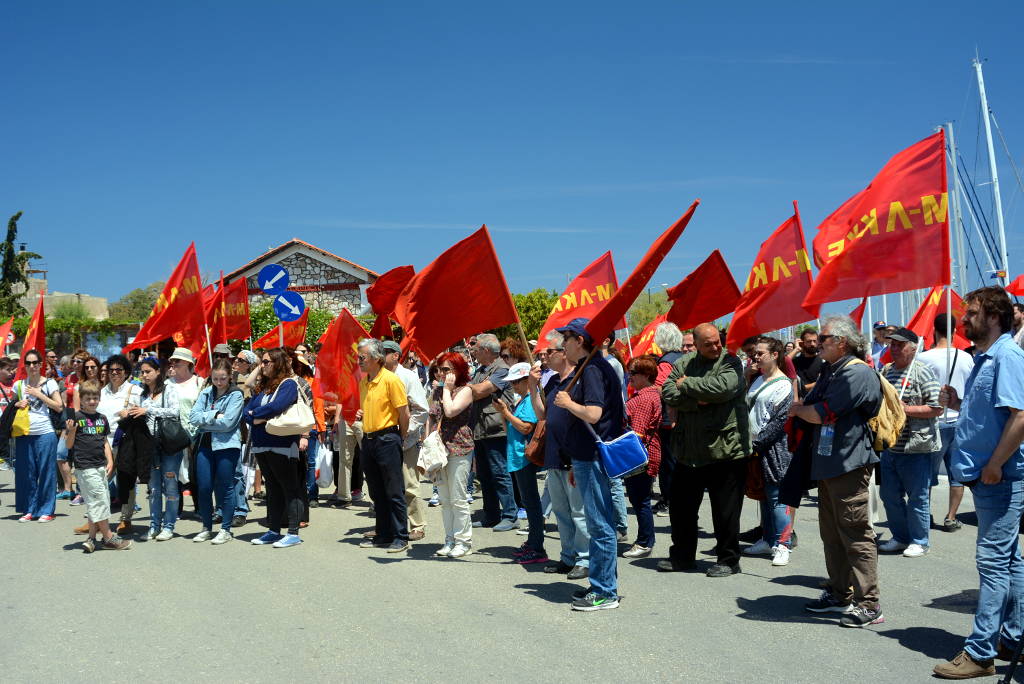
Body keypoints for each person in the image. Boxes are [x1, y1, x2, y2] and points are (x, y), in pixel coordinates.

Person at [933, 287, 1024, 679]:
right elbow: (993, 414)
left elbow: (1021, 416)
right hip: (988, 477)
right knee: (1009, 562)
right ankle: (1015, 636)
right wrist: (957, 403)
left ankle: (981, 651)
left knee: (992, 563)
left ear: (994, 317)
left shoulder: (1008, 356)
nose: (963, 320)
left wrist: (994, 464)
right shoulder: (984, 358)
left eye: (971, 313)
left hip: (1000, 479)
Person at [791, 315, 883, 628]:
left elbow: (821, 413)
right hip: (831, 463)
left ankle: (868, 603)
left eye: (824, 338)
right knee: (832, 535)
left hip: (849, 463)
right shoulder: (833, 370)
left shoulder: (855, 373)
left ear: (842, 342)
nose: (817, 342)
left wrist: (797, 409)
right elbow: (812, 402)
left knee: (855, 534)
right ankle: (839, 592)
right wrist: (803, 405)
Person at [659, 323, 750, 578]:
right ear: (696, 345)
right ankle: (682, 556)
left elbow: (722, 389)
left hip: (726, 450)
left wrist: (686, 385)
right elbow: (667, 392)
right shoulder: (685, 362)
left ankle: (729, 560)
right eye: (707, 344)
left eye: (717, 341)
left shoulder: (731, 362)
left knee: (725, 511)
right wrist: (696, 397)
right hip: (689, 450)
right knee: (681, 508)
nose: (715, 346)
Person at [547, 318, 625, 611]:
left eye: (566, 337)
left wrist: (568, 404)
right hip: (583, 457)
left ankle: (605, 591)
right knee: (596, 523)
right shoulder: (591, 366)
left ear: (579, 340)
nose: (563, 343)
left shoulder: (592, 368)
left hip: (593, 457)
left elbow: (593, 414)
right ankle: (601, 583)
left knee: (599, 525)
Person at [530, 331, 591, 580]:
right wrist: (534, 388)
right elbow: (542, 415)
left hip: (574, 456)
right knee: (562, 513)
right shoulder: (553, 382)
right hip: (554, 456)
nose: (543, 357)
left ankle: (585, 559)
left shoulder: (579, 379)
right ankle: (568, 557)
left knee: (579, 513)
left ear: (563, 353)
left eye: (548, 352)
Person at [877, 327, 941, 558]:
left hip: (916, 446)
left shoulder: (923, 372)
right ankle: (901, 537)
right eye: (891, 344)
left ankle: (920, 540)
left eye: (899, 345)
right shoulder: (886, 371)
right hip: (891, 445)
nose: (894, 349)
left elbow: (936, 408)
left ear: (913, 349)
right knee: (889, 495)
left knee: (917, 496)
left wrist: (906, 409)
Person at [918, 313, 975, 531]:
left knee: (926, 474)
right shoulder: (966, 358)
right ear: (953, 332)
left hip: (934, 421)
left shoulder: (924, 358)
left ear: (935, 330)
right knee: (956, 473)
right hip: (959, 420)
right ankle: (951, 516)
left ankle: (925, 515)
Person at [245, 347, 305, 548]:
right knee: (272, 488)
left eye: (266, 362)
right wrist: (256, 416)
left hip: (282, 444)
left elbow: (277, 407)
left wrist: (256, 414)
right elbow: (247, 411)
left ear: (277, 363)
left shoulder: (288, 384)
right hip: (262, 444)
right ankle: (273, 530)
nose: (262, 366)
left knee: (289, 488)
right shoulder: (264, 386)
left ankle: (293, 532)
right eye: (262, 362)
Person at [744, 337, 796, 566]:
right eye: (755, 353)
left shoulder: (783, 384)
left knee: (777, 497)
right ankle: (767, 539)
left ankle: (783, 544)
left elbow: (779, 421)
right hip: (756, 447)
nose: (756, 357)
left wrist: (758, 443)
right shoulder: (756, 380)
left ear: (775, 355)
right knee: (763, 496)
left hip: (774, 449)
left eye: (760, 353)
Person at [355, 338, 411, 553]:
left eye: (362, 357)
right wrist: (362, 414)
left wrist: (401, 437)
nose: (359, 361)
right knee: (377, 491)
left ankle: (400, 535)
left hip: (387, 438)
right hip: (368, 440)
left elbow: (403, 413)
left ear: (377, 359)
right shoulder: (364, 382)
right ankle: (384, 533)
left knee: (394, 490)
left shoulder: (391, 380)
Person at [66, 380, 132, 551]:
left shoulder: (102, 419)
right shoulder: (77, 417)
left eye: (95, 398)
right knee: (100, 501)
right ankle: (109, 537)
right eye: (88, 398)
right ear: (81, 399)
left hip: (100, 466)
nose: (92, 401)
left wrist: (110, 460)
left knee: (96, 502)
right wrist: (71, 431)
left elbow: (104, 442)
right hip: (85, 466)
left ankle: (92, 539)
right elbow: (68, 445)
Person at [127, 357, 185, 541]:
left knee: (170, 486)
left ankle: (169, 526)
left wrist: (148, 411)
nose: (144, 375)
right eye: (142, 372)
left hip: (168, 446)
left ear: (158, 371)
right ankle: (154, 526)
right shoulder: (142, 394)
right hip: (149, 447)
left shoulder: (169, 389)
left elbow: (175, 412)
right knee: (153, 488)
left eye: (148, 371)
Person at [467, 333, 519, 531]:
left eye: (477, 349)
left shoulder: (502, 369)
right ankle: (491, 514)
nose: (474, 351)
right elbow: (475, 388)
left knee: (500, 473)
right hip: (480, 429)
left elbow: (480, 391)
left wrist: (466, 386)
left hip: (497, 429)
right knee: (484, 474)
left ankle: (510, 515)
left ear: (487, 351)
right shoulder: (481, 370)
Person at [189, 358, 244, 544]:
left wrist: (207, 421)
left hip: (227, 446)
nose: (219, 382)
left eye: (222, 378)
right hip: (205, 444)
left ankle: (225, 529)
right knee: (204, 487)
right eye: (215, 378)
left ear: (229, 377)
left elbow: (228, 423)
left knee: (225, 486)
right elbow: (193, 417)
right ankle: (206, 527)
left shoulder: (236, 395)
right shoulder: (205, 393)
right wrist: (214, 415)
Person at [494, 362, 545, 564]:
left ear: (527, 380)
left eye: (517, 381)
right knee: (529, 502)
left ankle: (537, 546)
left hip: (524, 458)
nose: (514, 385)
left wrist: (506, 413)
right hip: (517, 457)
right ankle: (533, 543)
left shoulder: (530, 401)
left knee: (531, 504)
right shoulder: (522, 400)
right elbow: (514, 429)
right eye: (512, 382)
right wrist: (505, 413)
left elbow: (526, 428)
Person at [428, 352, 475, 557]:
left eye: (447, 369)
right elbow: (433, 416)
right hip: (441, 449)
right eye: (439, 369)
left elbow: (451, 411)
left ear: (458, 370)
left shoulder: (466, 390)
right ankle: (449, 539)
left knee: (458, 498)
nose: (442, 373)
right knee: (445, 499)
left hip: (460, 447)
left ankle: (463, 541)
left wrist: (446, 390)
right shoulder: (438, 391)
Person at [381, 340, 429, 541]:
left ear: (395, 355)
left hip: (404, 440)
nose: (379, 356)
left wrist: (405, 431)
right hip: (382, 440)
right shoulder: (376, 377)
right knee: (386, 485)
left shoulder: (408, 377)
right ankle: (391, 525)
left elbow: (422, 409)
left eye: (383, 352)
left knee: (409, 484)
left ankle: (417, 525)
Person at [13, 349, 64, 523]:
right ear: (25, 366)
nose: (32, 366)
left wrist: (39, 394)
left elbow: (59, 406)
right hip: (24, 433)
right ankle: (30, 509)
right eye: (28, 363)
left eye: (35, 363)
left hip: (45, 432)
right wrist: (17, 404)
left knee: (46, 472)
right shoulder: (19, 385)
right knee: (27, 474)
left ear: (41, 364)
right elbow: (12, 407)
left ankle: (47, 509)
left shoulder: (49, 383)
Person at [96, 354, 143, 534]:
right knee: (99, 483)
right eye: (111, 370)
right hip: (103, 442)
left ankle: (126, 519)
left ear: (126, 372)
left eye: (118, 370)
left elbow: (143, 414)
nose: (114, 373)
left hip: (125, 441)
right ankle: (97, 520)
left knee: (126, 481)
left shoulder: (135, 391)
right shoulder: (101, 392)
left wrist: (129, 414)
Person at [622, 355, 661, 559]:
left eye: (633, 373)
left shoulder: (645, 398)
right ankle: (645, 539)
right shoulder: (645, 395)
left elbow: (637, 432)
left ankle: (645, 541)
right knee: (639, 500)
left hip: (640, 456)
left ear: (646, 375)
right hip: (640, 455)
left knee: (640, 500)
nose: (630, 377)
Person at [652, 322, 685, 519]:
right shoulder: (684, 358)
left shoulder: (665, 362)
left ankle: (669, 500)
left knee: (668, 463)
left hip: (668, 420)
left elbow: (662, 389)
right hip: (683, 418)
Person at [792, 328, 825, 396]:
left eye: (814, 341)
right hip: (799, 403)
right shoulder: (795, 361)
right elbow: (779, 366)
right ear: (802, 343)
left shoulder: (824, 361)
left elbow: (825, 383)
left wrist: (802, 388)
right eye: (809, 341)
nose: (812, 344)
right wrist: (796, 349)